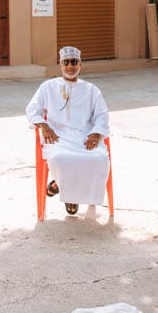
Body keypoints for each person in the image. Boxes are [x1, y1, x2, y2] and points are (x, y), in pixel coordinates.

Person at [26, 46, 111, 216]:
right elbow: (32, 109)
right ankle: (70, 195)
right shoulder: (48, 87)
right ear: (60, 64)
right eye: (66, 62)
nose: (70, 66)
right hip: (58, 137)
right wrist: (44, 126)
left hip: (84, 136)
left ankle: (60, 185)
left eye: (74, 62)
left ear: (80, 64)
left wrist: (96, 133)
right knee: (60, 158)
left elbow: (102, 114)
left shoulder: (91, 90)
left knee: (100, 159)